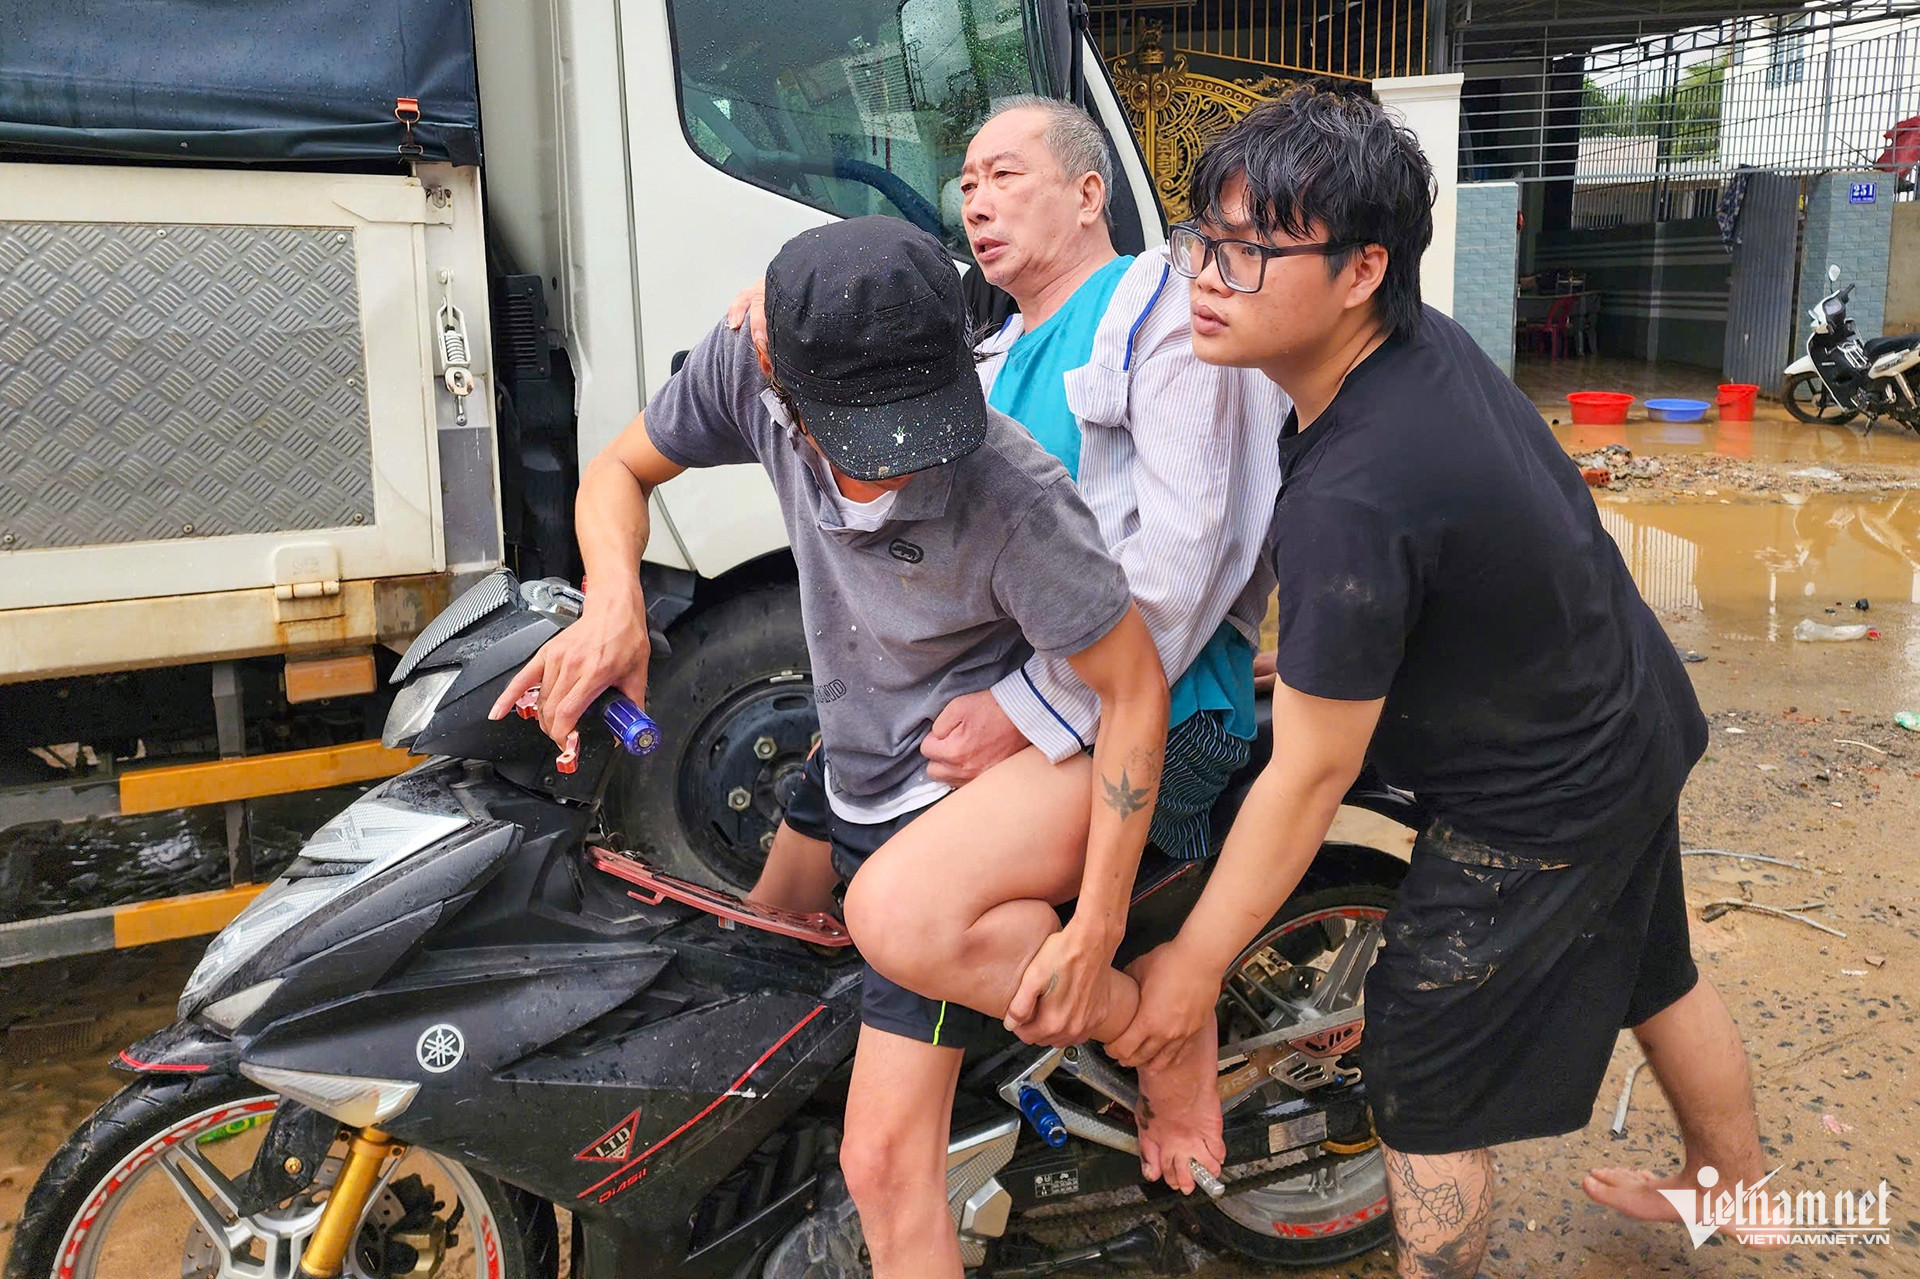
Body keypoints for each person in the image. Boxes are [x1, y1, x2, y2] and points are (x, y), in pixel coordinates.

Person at [1108, 89, 1771, 1276]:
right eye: (1201, 240)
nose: (1208, 276)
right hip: (1623, 706)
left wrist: (1194, 967)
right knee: (1654, 965)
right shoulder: (1415, 348)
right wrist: (1324, 644)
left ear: (1363, 268)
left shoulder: (1360, 484)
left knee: (1421, 1071)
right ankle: (1736, 1189)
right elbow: (1474, 543)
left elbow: (1313, 776)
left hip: (1545, 792)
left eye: (1252, 253)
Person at [492, 215, 1172, 1279]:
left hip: (969, 790)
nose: (889, 473)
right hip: (851, 756)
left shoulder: (1011, 493)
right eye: (861, 437)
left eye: (922, 424)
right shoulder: (747, 362)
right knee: (758, 981)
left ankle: (1156, 1026)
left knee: (883, 1158)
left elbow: (1134, 694)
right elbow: (616, 471)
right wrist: (615, 602)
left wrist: (1098, 930)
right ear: (775, 374)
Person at [734, 97, 1287, 1200]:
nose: (977, 201)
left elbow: (1178, 578)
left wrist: (1029, 711)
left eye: (1006, 175)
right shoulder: (988, 351)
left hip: (1152, 703)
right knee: (802, 833)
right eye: (967, 185)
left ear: (1090, 193)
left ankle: (1155, 1039)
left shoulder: (1157, 317)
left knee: (907, 911)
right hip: (1010, 702)